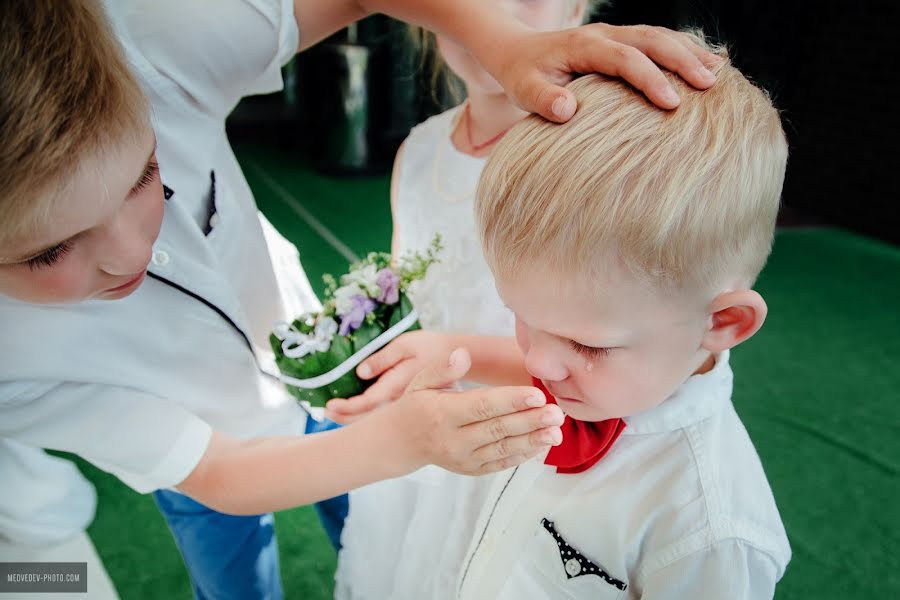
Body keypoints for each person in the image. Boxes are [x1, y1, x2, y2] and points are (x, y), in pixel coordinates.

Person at [0, 1, 720, 598]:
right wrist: (405, 440)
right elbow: (218, 474)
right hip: (209, 459)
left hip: (326, 390)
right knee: (228, 573)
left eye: (146, 175)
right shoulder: (16, 367)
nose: (133, 250)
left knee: (369, 532)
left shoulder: (148, 44)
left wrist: (502, 42)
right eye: (48, 251)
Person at [336, 34, 791, 599]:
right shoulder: (593, 380)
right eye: (521, 317)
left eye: (590, 345)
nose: (538, 362)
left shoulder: (711, 529)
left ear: (723, 323)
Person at [331, 1, 599, 595]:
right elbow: (407, 293)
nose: (492, 15)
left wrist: (447, 352)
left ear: (577, 10)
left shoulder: (577, 160)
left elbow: (588, 351)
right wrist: (373, 372)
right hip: (420, 421)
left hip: (515, 431)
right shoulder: (420, 147)